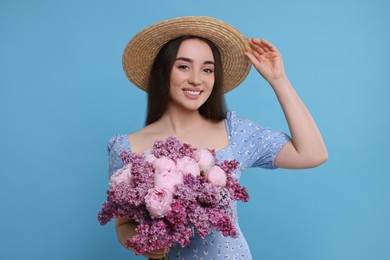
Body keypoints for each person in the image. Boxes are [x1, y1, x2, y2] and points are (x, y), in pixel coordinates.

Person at [107, 16, 328, 259]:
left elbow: (313, 154)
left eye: (207, 69)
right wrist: (145, 243)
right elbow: (123, 225)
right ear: (163, 72)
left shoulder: (236, 133)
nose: (196, 79)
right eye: (183, 66)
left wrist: (278, 80)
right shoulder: (127, 147)